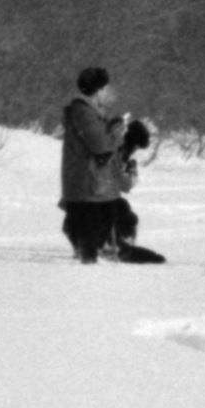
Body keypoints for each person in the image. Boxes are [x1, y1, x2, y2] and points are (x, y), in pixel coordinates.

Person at [56, 67, 162, 264]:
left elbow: (108, 158)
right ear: (99, 90)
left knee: (110, 220)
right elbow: (102, 149)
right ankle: (106, 252)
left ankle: (106, 250)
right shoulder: (84, 113)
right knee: (105, 230)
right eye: (106, 88)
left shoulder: (91, 114)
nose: (109, 92)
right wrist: (116, 132)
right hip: (89, 190)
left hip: (92, 189)